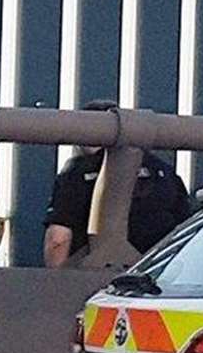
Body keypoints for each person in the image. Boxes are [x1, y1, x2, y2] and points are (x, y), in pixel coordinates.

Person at [43, 100, 191, 267]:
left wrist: (57, 280)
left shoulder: (76, 173)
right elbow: (185, 230)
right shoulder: (163, 171)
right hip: (158, 274)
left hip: (93, 274)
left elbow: (58, 239)